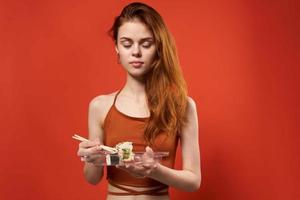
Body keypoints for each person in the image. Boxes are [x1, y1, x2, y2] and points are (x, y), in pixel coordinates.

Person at [77, 2, 201, 199]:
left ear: (158, 47)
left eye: (146, 44)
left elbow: (193, 181)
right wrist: (92, 158)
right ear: (117, 47)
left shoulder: (182, 106)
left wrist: (154, 170)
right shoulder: (99, 106)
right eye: (127, 44)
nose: (136, 52)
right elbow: (93, 178)